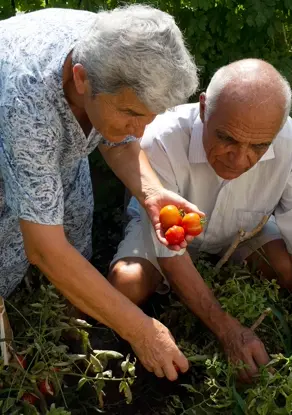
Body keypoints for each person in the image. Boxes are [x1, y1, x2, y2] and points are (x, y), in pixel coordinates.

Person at [0, 5, 203, 381]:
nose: (140, 132)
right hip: (10, 138)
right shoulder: (27, 105)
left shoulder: (115, 45)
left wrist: (153, 193)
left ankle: (66, 333)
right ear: (81, 80)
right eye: (130, 113)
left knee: (74, 228)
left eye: (149, 116)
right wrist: (140, 330)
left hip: (48, 143)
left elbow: (123, 143)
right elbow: (44, 248)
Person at [109, 59, 292, 383]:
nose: (240, 159)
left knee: (288, 269)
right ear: (203, 108)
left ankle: (220, 279)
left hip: (242, 232)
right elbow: (171, 253)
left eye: (258, 146)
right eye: (227, 139)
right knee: (127, 284)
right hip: (161, 235)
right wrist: (228, 330)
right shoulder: (162, 140)